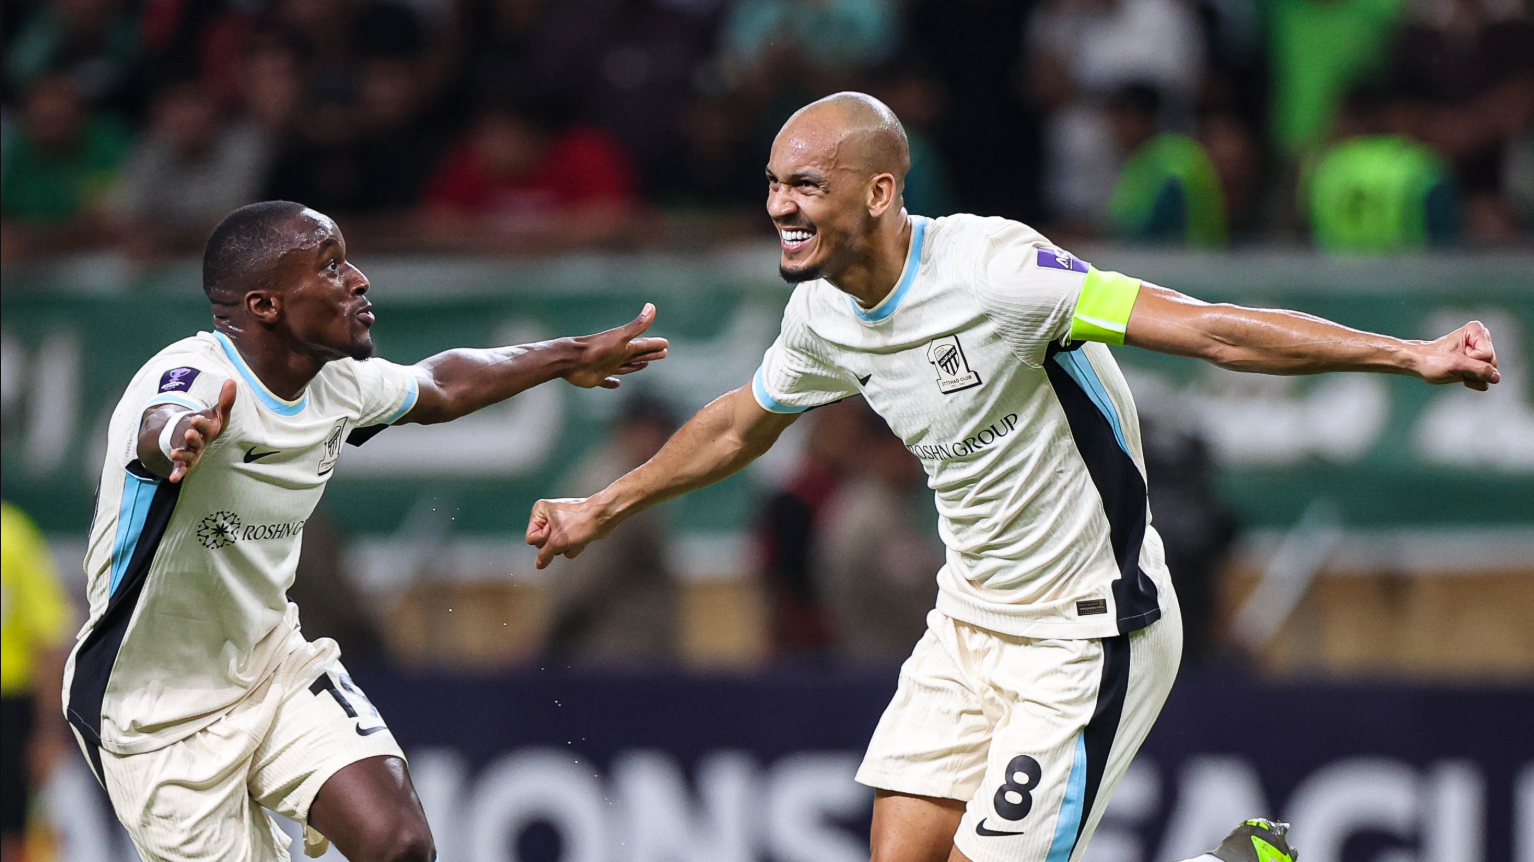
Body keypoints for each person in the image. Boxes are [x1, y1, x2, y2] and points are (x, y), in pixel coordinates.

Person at [525, 92, 1499, 862]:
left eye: (807, 185)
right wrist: (602, 507)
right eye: (775, 183)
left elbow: (1208, 329)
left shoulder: (997, 273)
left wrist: (1408, 354)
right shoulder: (821, 312)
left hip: (1090, 627)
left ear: (879, 192)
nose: (782, 205)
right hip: (967, 621)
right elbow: (742, 422)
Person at [62, 200, 667, 862]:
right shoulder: (199, 375)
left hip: (271, 665)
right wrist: (180, 436)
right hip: (153, 712)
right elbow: (161, 421)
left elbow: (441, 384)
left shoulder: (336, 386)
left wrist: (569, 356)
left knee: (399, 844)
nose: (358, 280)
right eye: (330, 267)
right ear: (265, 305)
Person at [1, 502, 75, 862]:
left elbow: (48, 639)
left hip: (10, 709)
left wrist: (48, 734)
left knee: (13, 830)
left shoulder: (12, 538)